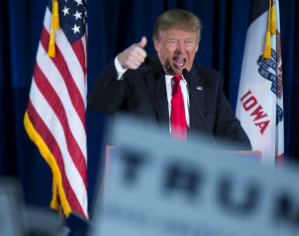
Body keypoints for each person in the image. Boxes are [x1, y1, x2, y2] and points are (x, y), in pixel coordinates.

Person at [88, 9, 251, 149]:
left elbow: (239, 142)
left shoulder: (210, 82)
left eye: (188, 42)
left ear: (197, 46)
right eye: (173, 41)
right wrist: (121, 63)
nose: (181, 50)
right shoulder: (135, 73)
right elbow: (99, 104)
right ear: (157, 44)